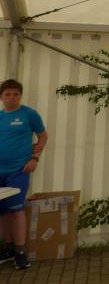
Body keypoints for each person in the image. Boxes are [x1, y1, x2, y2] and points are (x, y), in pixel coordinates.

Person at [0, 79, 48, 269]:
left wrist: (35, 158)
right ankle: (9, 248)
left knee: (16, 211)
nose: (12, 97)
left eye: (16, 94)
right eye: (8, 94)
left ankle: (20, 252)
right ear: (1, 97)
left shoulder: (29, 114)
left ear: (20, 96)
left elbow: (43, 136)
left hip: (19, 171)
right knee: (3, 213)